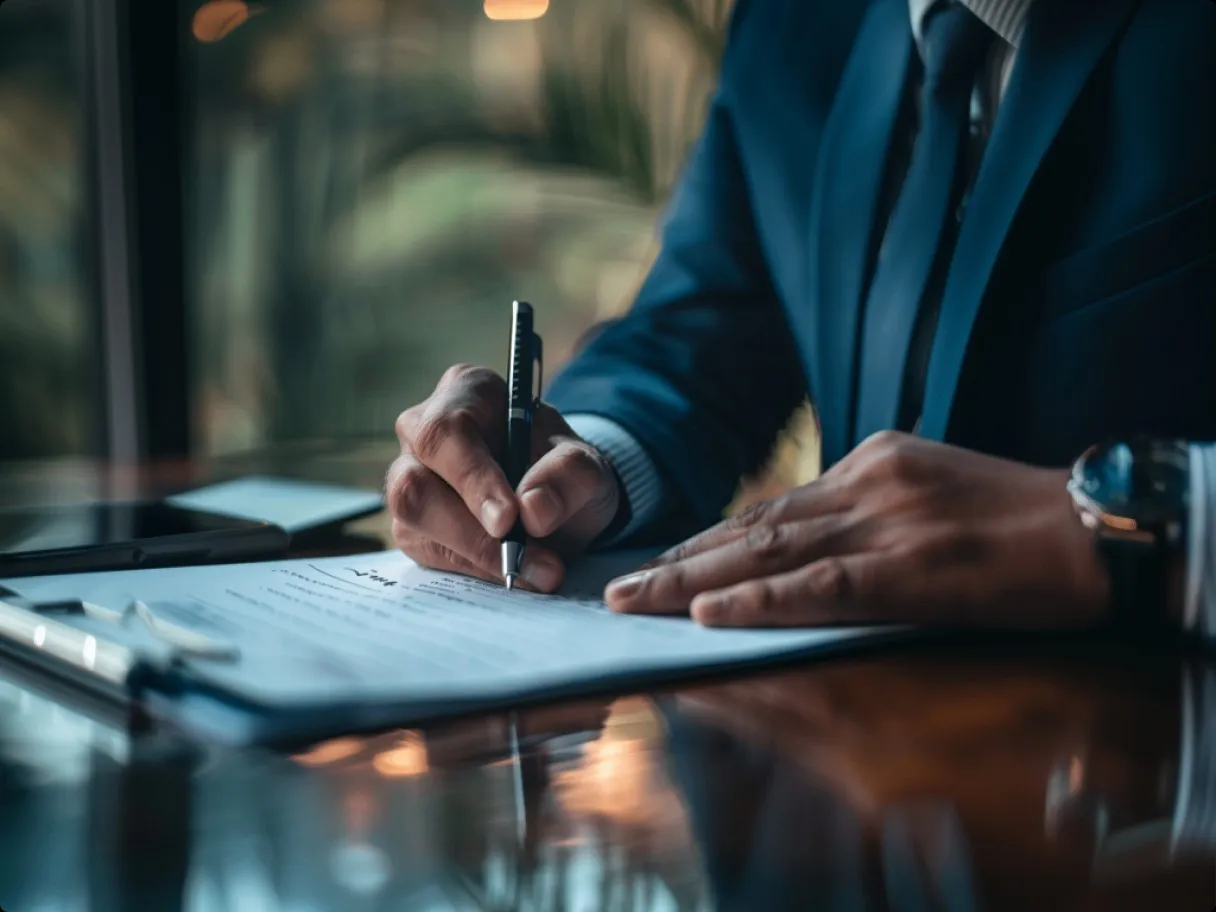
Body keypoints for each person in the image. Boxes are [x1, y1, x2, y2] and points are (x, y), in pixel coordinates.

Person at [386, 0, 1216, 635]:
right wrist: (577, 466)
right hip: (856, 783)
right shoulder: (794, 23)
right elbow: (702, 325)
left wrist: (1131, 530)